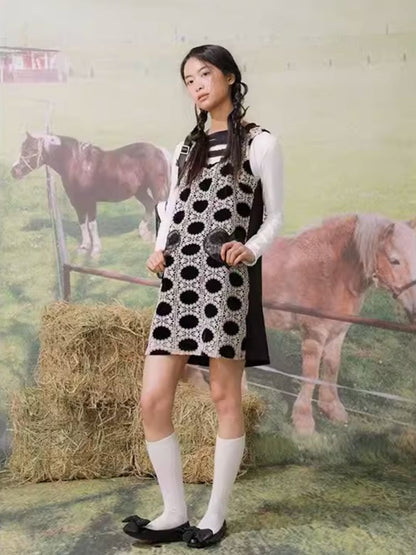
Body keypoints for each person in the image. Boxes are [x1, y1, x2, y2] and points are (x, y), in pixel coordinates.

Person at [122, 44, 284, 548]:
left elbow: (275, 215)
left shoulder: (260, 143)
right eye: (188, 79)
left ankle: (214, 514)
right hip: (177, 283)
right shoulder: (184, 149)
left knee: (223, 397)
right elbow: (172, 208)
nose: (196, 85)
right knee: (153, 399)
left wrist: (250, 249)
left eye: (205, 74)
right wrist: (158, 248)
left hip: (223, 283)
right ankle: (174, 512)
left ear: (230, 77)